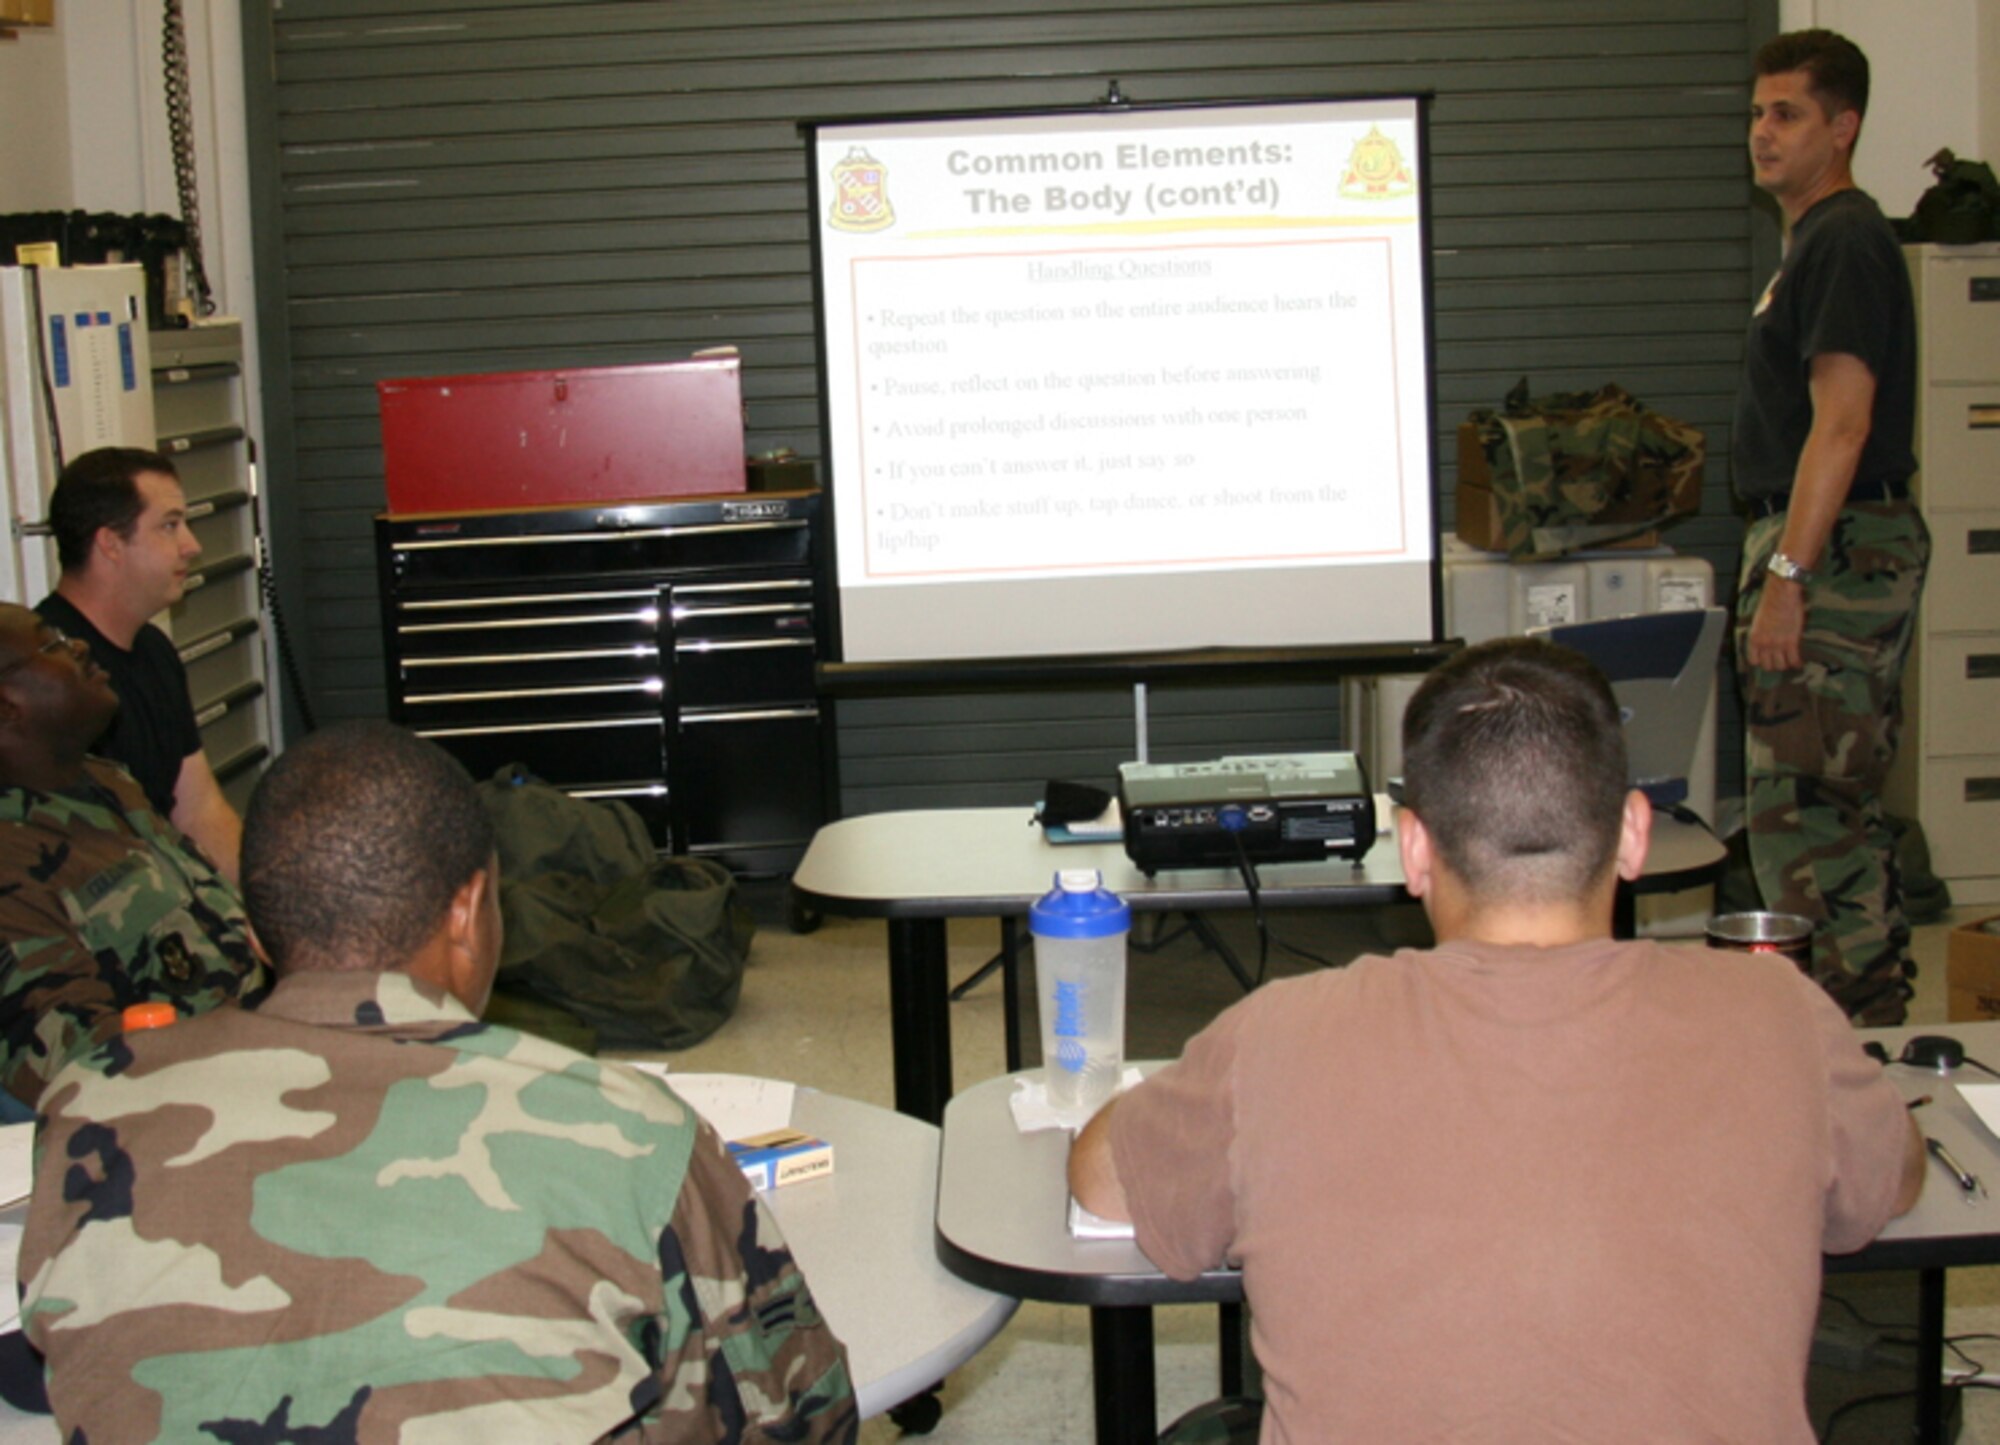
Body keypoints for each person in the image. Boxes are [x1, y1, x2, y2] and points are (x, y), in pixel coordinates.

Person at [1069, 637, 1924, 1443]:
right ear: (1634, 834)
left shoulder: (1275, 1034)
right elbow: (1892, 1182)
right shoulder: (1781, 1010)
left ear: (1413, 849)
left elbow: (1103, 1182)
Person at [20, 719, 857, 1443]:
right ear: (466, 911)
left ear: (256, 931)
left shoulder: (92, 1107)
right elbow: (801, 1409)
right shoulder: (631, 1130)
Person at [1732, 29, 1927, 1025]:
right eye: (1757, 112)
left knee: (1809, 817)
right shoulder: (1816, 241)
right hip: (1823, 546)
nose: (1761, 132)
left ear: (1841, 126)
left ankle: (1855, 1040)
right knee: (1815, 809)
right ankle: (1848, 1037)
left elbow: (1842, 425)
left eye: (1788, 113)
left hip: (1833, 552)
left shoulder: (1845, 238)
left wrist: (1790, 575)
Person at [0, 602, 266, 1109]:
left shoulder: (106, 782)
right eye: (53, 644)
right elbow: (73, 1062)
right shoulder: (10, 862)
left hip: (259, 1041)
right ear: (7, 707)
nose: (80, 646)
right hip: (184, 1103)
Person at [37, 445, 244, 881]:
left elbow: (199, 810)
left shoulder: (154, 651)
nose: (192, 546)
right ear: (110, 544)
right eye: (169, 526)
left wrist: (272, 901)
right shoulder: (47, 675)